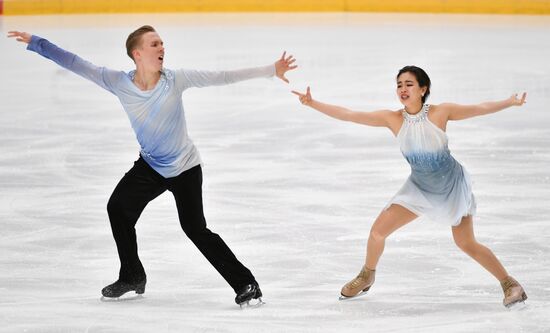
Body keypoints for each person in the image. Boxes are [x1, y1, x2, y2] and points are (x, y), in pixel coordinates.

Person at [8, 26, 297, 307]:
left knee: (195, 229)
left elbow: (222, 76)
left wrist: (271, 69)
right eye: (154, 44)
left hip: (185, 167)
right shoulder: (118, 82)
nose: (162, 48)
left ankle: (246, 283)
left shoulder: (175, 80)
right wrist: (37, 42)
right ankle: (132, 275)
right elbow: (75, 63)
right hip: (151, 166)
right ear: (137, 53)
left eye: (162, 43)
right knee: (118, 209)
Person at [291, 66, 527, 308]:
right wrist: (313, 103)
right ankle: (367, 275)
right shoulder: (392, 119)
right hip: (419, 187)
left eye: (409, 84)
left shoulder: (441, 112)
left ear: (423, 89)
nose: (403, 89)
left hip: (452, 187)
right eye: (399, 84)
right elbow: (350, 114)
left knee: (465, 243)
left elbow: (478, 109)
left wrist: (509, 102)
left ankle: (510, 284)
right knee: (377, 232)